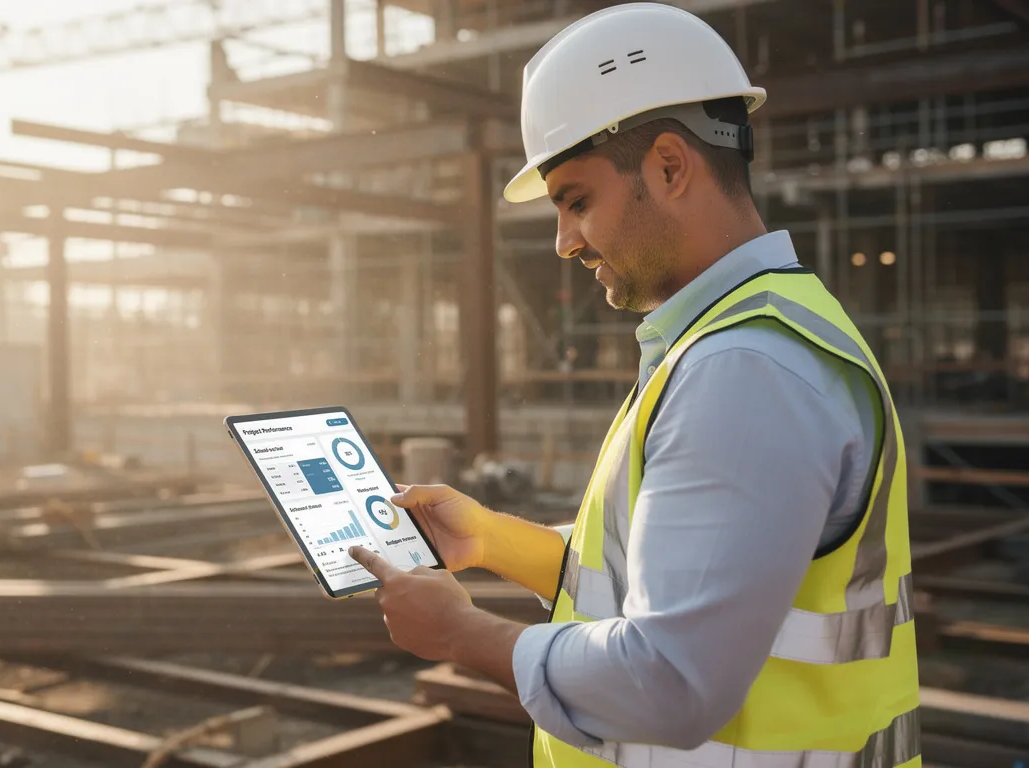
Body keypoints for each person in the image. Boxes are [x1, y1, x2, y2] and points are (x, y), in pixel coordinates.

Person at [348, 5, 920, 767]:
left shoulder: (743, 371)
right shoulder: (743, 340)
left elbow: (673, 680)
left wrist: (462, 634)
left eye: (576, 200)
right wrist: (489, 539)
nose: (564, 242)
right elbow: (672, 579)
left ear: (671, 166)